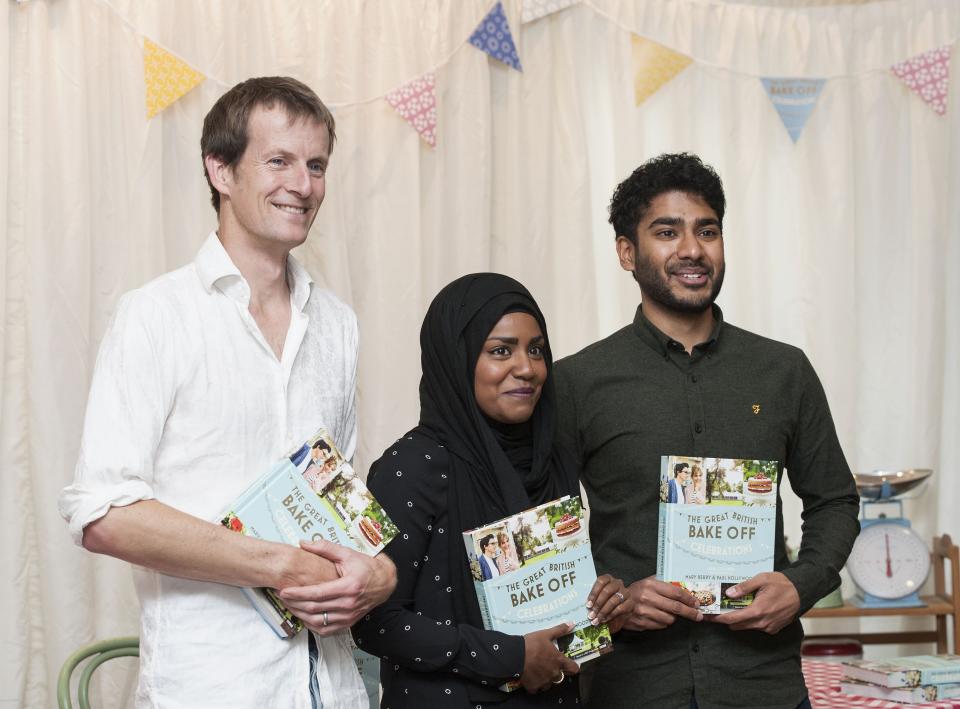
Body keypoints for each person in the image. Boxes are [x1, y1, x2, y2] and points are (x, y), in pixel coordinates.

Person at [58, 77, 396, 709]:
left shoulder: (338, 325)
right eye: (279, 161)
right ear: (220, 169)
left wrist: (378, 573)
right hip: (212, 688)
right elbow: (103, 514)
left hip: (337, 688)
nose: (303, 184)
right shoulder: (154, 316)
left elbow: (337, 496)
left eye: (316, 164)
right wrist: (279, 565)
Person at [554, 153, 860, 709]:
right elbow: (542, 536)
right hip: (633, 690)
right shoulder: (576, 382)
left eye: (708, 231)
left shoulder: (783, 370)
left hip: (763, 686)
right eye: (666, 232)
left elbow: (835, 499)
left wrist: (801, 584)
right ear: (627, 252)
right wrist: (612, 600)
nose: (692, 249)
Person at [352, 273, 633, 708]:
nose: (527, 368)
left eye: (536, 350)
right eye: (501, 350)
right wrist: (510, 657)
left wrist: (601, 602)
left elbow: (555, 597)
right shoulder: (412, 467)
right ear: (457, 359)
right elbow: (374, 621)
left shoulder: (552, 462)